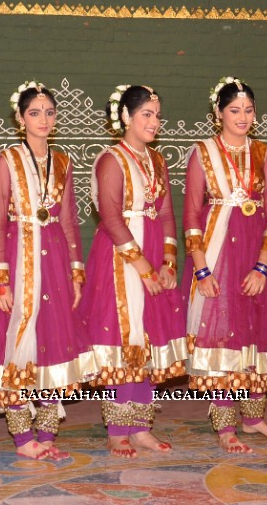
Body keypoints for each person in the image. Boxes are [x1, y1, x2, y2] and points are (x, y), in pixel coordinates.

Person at [183, 77, 267, 453]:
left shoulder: (263, 153)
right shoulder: (202, 153)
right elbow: (190, 214)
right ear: (218, 113)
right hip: (217, 254)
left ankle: (253, 419)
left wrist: (263, 267)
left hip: (257, 256)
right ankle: (225, 425)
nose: (242, 117)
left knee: (258, 332)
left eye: (248, 110)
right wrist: (202, 270)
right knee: (223, 334)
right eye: (234, 110)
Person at [0, 81, 96, 461]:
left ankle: (46, 431)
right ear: (19, 118)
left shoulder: (62, 160)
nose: (43, 119)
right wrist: (0, 275)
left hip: (56, 257)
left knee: (54, 339)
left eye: (49, 112)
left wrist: (77, 272)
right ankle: (22, 435)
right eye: (34, 113)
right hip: (19, 250)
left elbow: (71, 220)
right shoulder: (7, 159)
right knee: (18, 340)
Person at [78, 84, 187, 458]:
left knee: (149, 340)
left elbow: (169, 214)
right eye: (146, 114)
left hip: (155, 255)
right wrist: (141, 265)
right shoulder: (111, 159)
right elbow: (109, 218)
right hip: (120, 261)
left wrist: (168, 263)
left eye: (157, 115)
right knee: (125, 340)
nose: (154, 122)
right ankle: (116, 430)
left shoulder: (157, 160)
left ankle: (141, 428)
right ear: (125, 116)